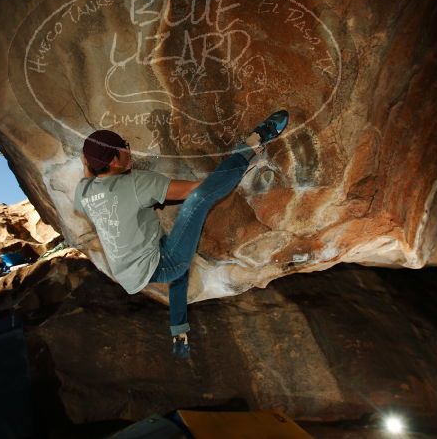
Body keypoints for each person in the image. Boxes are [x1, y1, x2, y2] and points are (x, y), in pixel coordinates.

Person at [73, 110, 289, 358]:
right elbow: (198, 189)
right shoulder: (136, 183)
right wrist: (235, 162)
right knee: (197, 201)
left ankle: (179, 331)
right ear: (113, 160)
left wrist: (88, 164)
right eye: (124, 147)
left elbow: (88, 176)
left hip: (128, 275)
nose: (129, 150)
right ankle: (254, 142)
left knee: (173, 251)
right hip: (163, 264)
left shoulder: (84, 193)